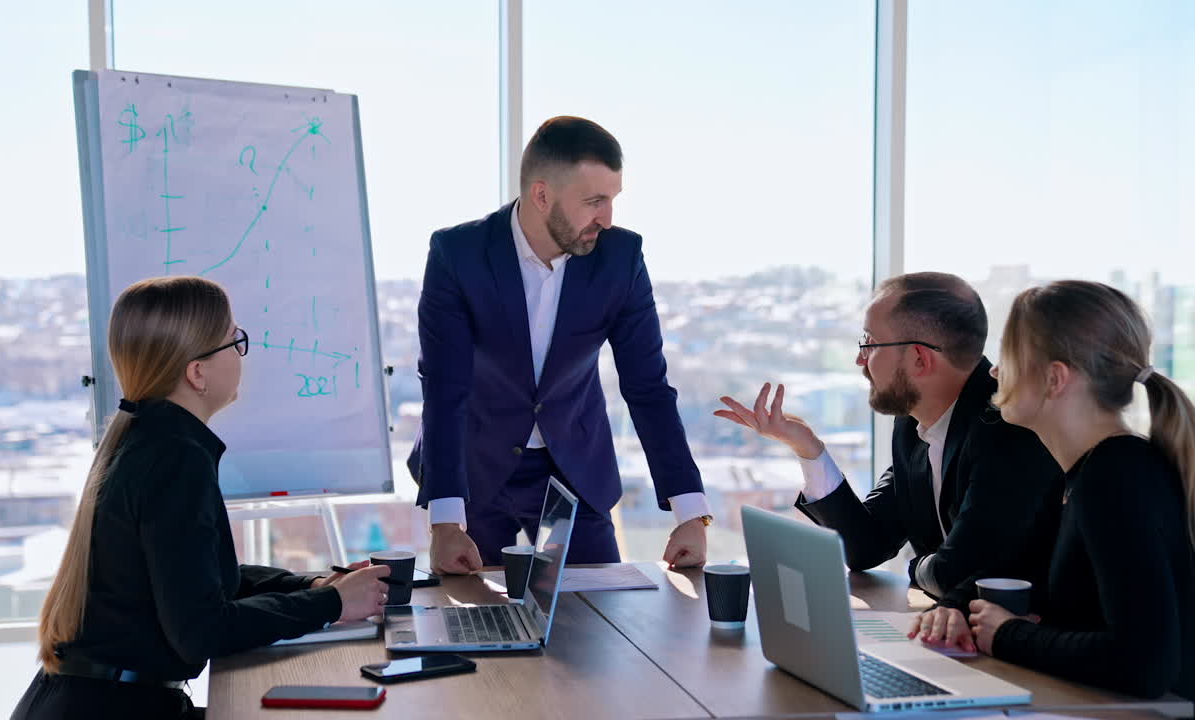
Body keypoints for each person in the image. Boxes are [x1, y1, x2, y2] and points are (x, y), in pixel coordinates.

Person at [12, 277, 390, 720]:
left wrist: (310, 587)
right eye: (235, 341)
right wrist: (331, 604)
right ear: (197, 372)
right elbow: (202, 630)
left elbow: (192, 574)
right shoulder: (175, 459)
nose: (241, 355)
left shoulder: (147, 440)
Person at [409, 116, 710, 573]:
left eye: (612, 200)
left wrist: (691, 513)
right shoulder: (458, 255)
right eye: (594, 201)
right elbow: (445, 388)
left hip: (574, 466)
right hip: (474, 467)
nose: (606, 218)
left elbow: (648, 386)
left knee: (596, 624)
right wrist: (445, 523)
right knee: (474, 623)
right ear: (542, 194)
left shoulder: (620, 257)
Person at [717, 272, 1063, 617]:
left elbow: (957, 574)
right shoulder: (913, 426)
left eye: (868, 342)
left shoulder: (1007, 429)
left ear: (919, 359)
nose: (859, 360)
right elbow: (865, 547)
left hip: (1026, 650)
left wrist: (915, 568)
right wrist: (809, 450)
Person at [959, 280, 1193, 699]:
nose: (994, 371)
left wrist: (1008, 635)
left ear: (1054, 379)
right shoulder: (1083, 473)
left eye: (1008, 356)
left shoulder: (1115, 478)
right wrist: (953, 612)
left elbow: (1143, 664)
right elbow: (1020, 567)